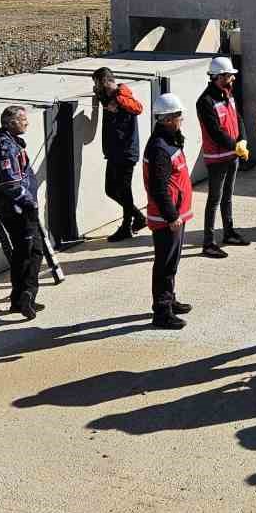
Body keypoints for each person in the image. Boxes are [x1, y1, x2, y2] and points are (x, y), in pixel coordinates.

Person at [0, 105, 47, 319]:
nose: (27, 122)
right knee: (32, 251)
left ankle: (19, 300)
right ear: (10, 123)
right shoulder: (5, 147)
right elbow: (10, 182)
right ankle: (27, 295)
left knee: (23, 251)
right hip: (18, 209)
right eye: (22, 119)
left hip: (14, 207)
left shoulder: (4, 141)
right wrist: (28, 202)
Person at [142, 93, 194, 329]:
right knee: (164, 264)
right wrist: (171, 216)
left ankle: (170, 300)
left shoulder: (170, 140)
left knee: (171, 262)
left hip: (175, 214)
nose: (182, 119)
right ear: (168, 119)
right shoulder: (159, 148)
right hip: (167, 218)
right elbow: (158, 187)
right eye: (179, 116)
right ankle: (162, 311)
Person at [196, 56, 249, 258]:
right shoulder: (205, 101)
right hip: (218, 158)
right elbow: (214, 131)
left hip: (233, 154)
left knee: (227, 197)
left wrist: (242, 139)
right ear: (218, 77)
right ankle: (208, 242)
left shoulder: (229, 95)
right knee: (214, 199)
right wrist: (235, 145)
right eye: (229, 76)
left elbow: (238, 118)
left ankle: (229, 233)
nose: (233, 79)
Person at [94, 67, 147, 242]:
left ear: (104, 82)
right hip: (114, 152)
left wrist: (114, 111)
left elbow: (133, 113)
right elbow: (104, 99)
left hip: (125, 153)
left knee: (124, 190)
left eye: (97, 83)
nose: (96, 87)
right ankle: (138, 217)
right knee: (110, 190)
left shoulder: (122, 100)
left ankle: (126, 226)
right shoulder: (110, 98)